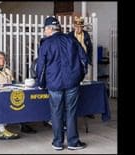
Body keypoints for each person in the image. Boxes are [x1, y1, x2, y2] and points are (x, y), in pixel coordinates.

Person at [35, 16, 88, 151]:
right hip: (72, 83)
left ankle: (58, 143)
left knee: (56, 113)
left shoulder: (45, 44)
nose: (44, 32)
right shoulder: (71, 40)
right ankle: (73, 142)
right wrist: (79, 77)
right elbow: (84, 60)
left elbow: (40, 67)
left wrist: (40, 83)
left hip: (54, 85)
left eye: (44, 29)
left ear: (49, 29)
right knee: (71, 112)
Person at [68, 16, 93, 81]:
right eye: (76, 27)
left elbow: (90, 48)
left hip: (84, 60)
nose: (78, 28)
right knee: (74, 80)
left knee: (86, 80)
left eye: (80, 27)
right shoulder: (70, 35)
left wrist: (89, 60)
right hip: (74, 61)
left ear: (82, 27)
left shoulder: (86, 34)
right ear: (74, 27)